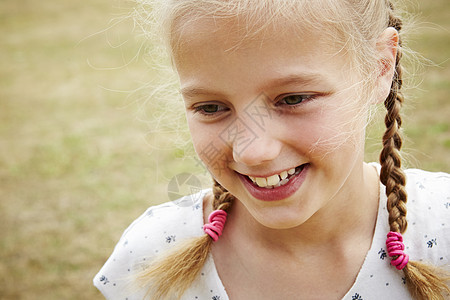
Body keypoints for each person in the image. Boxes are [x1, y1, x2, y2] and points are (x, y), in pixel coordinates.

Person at [93, 0, 450, 299]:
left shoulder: (442, 230)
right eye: (211, 107)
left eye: (292, 99)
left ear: (379, 68)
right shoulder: (151, 255)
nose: (253, 152)